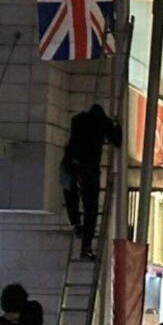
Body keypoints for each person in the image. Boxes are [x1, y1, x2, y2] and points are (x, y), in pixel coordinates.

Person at [61, 103, 122, 259]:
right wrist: (117, 126)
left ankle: (76, 223)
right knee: (91, 209)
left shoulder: (77, 120)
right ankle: (86, 247)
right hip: (88, 169)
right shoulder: (103, 122)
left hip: (69, 163)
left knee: (70, 193)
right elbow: (117, 141)